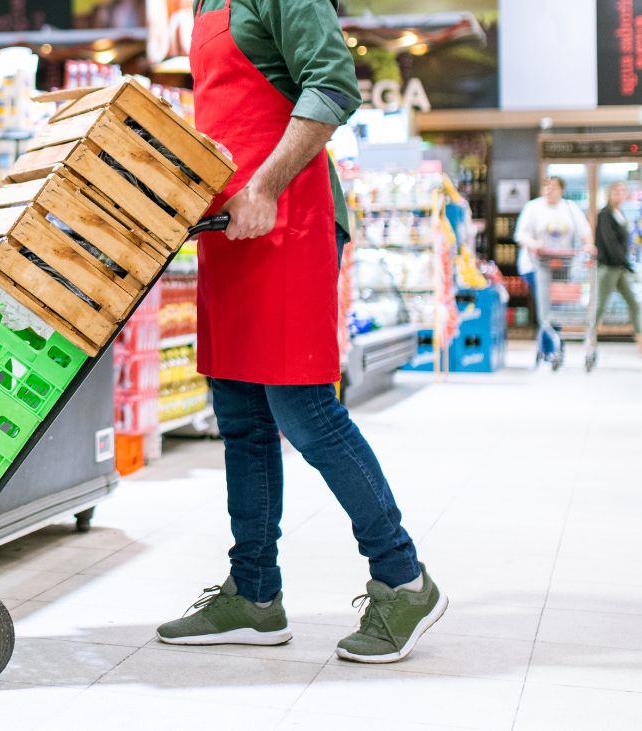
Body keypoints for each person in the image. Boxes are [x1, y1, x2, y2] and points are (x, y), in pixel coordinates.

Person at [155, 0, 445, 664]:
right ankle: (254, 594)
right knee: (240, 415)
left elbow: (333, 82)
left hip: (288, 216)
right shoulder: (203, 5)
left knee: (304, 407)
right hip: (230, 228)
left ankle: (404, 577)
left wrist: (263, 186)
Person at [513, 177, 592, 363]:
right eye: (546, 186)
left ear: (561, 190)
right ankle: (550, 349)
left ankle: (553, 345)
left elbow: (585, 232)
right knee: (545, 305)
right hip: (535, 265)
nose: (549, 190)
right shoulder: (533, 207)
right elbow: (520, 234)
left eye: (553, 187)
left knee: (556, 307)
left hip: (562, 266)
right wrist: (533, 244)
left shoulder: (570, 208)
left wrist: (589, 246)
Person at [587, 182, 642, 353]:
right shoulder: (605, 214)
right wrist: (627, 264)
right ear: (609, 194)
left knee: (633, 303)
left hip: (620, 269)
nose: (619, 194)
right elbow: (610, 244)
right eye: (616, 191)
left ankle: (640, 339)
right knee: (600, 305)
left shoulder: (620, 213)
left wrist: (626, 264)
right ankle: (590, 338)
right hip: (608, 268)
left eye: (623, 191)